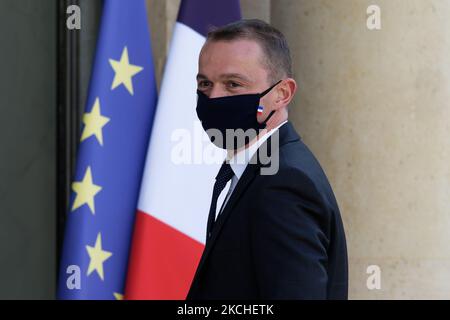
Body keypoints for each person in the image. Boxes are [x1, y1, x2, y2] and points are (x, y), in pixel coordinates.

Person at [187, 19, 348, 300]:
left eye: (233, 84)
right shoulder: (259, 169)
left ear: (281, 94)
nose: (213, 97)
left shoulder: (284, 183)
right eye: (205, 84)